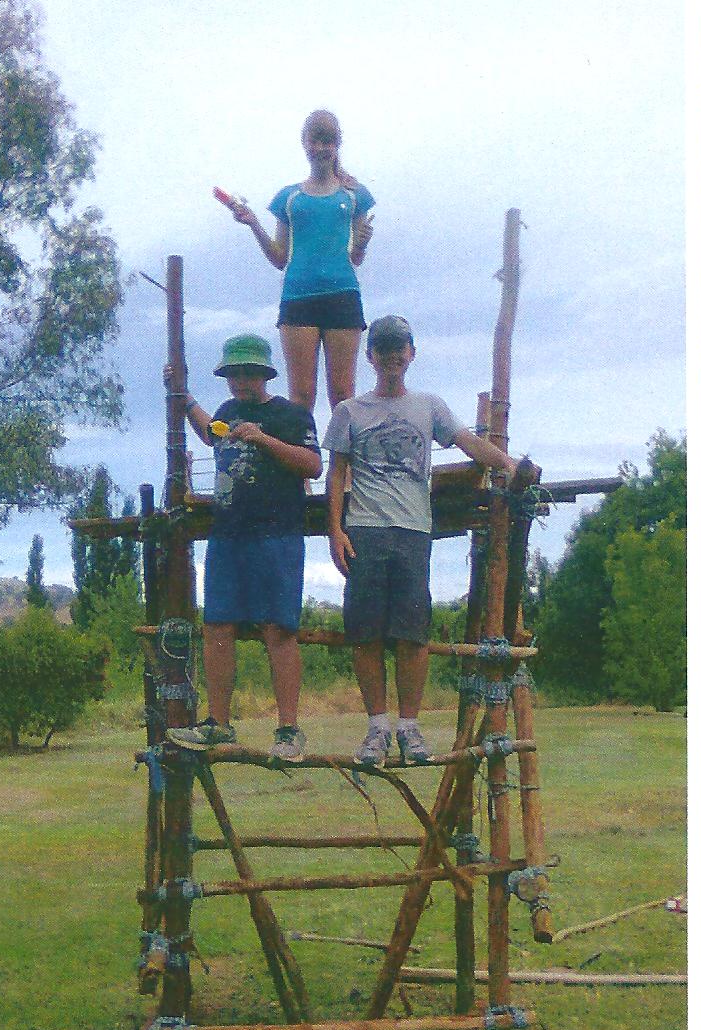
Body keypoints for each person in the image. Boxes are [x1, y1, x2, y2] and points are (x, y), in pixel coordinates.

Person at [322, 315, 524, 769]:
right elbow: (336, 474)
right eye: (383, 348)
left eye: (400, 347)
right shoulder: (350, 411)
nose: (392, 356)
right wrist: (335, 530)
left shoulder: (428, 406)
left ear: (412, 353)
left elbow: (468, 441)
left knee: (413, 633)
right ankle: (377, 727)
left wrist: (508, 463)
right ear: (370, 356)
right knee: (365, 633)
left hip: (414, 531)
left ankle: (409, 727)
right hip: (365, 531)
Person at [164, 334, 322, 763]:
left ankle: (288, 730)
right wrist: (183, 397)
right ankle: (218, 723)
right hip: (228, 536)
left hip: (277, 535)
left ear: (265, 374)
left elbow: (313, 464)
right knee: (218, 626)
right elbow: (211, 435)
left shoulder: (290, 415)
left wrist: (263, 440)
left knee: (279, 630)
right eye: (233, 374)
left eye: (248, 374)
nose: (240, 382)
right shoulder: (227, 413)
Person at [227, 110, 374, 413]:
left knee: (344, 396)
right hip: (298, 298)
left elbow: (356, 259)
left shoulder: (355, 195)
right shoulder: (289, 198)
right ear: (304, 143)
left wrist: (362, 242)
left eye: (328, 141)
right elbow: (279, 258)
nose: (321, 149)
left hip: (342, 296)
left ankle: (342, 463)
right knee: (301, 397)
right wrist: (253, 222)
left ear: (337, 145)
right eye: (315, 141)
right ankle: (302, 460)